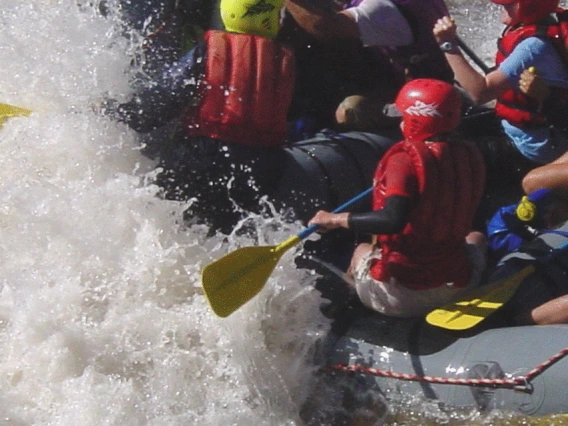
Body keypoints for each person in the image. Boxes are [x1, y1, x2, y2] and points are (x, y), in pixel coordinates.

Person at [100, 0, 295, 233]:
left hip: (201, 157)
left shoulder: (211, 49)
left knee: (175, 224)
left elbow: (161, 100)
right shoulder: (286, 59)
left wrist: (116, 111)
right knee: (231, 229)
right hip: (261, 166)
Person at [307, 79, 487, 318]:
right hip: (458, 285)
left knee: (361, 250)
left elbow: (392, 220)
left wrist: (334, 219)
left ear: (416, 119)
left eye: (403, 117)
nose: (400, 123)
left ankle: (349, 314)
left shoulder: (403, 161)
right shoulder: (468, 153)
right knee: (475, 237)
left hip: (402, 295)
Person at [282, 0, 454, 131]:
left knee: (352, 108)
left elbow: (324, 26)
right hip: (389, 79)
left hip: (418, 107)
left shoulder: (384, 9)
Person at [433, 0, 568, 166]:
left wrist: (448, 45)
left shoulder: (533, 47)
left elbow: (480, 93)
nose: (501, 7)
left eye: (508, 4)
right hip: (519, 128)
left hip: (532, 145)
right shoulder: (543, 23)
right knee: (448, 123)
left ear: (527, 8)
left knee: (446, 156)